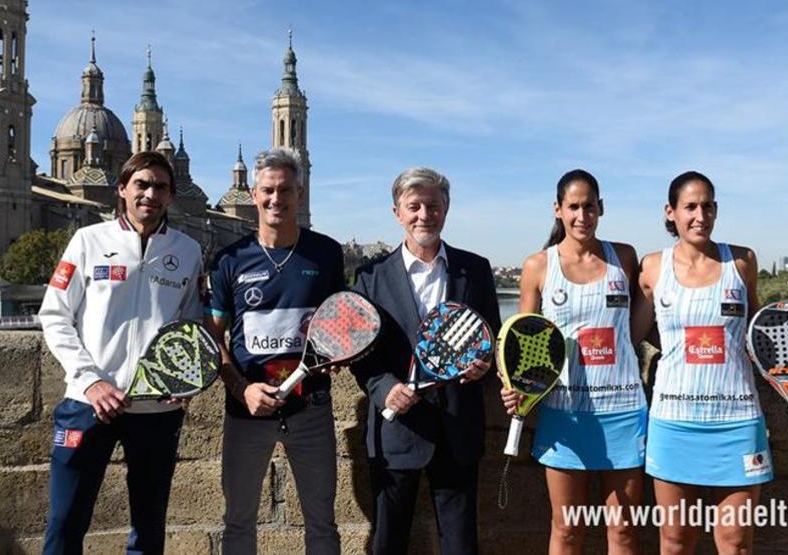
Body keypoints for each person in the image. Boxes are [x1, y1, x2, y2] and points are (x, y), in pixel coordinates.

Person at [634, 171, 788, 554]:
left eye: (708, 206)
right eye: (690, 206)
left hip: (736, 422)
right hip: (673, 423)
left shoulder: (741, 262)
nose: (700, 215)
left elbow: (763, 337)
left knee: (736, 543)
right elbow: (630, 337)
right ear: (670, 212)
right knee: (674, 543)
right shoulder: (653, 267)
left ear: (716, 210)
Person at [39, 151, 204, 555]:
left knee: (149, 527)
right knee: (64, 522)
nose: (150, 194)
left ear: (170, 195)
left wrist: (183, 381)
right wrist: (92, 382)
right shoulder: (87, 241)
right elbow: (54, 316)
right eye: (141, 185)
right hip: (88, 404)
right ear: (122, 190)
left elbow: (191, 327)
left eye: (160, 187)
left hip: (156, 411)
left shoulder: (188, 251)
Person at [349, 167, 500, 555]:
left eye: (432, 205)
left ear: (446, 210)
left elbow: (492, 338)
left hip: (458, 427)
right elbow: (359, 353)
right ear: (397, 212)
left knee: (461, 544)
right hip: (397, 429)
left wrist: (484, 365)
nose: (424, 215)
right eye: (413, 206)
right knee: (388, 542)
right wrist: (384, 389)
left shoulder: (476, 270)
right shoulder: (370, 277)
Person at [205, 147, 345, 555]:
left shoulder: (327, 253)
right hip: (248, 411)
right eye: (268, 190)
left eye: (286, 190)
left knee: (322, 524)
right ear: (254, 194)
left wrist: (337, 356)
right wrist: (241, 389)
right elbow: (213, 338)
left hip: (311, 408)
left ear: (300, 194)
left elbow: (340, 323)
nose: (276, 199)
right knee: (238, 523)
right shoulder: (229, 260)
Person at [500, 169, 647, 554]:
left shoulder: (625, 257)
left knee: (624, 532)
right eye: (574, 207)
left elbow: (648, 325)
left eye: (591, 207)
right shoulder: (538, 266)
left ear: (602, 208)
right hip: (564, 413)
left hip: (624, 411)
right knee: (566, 530)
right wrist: (514, 389)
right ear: (558, 210)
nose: (583, 216)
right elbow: (519, 341)